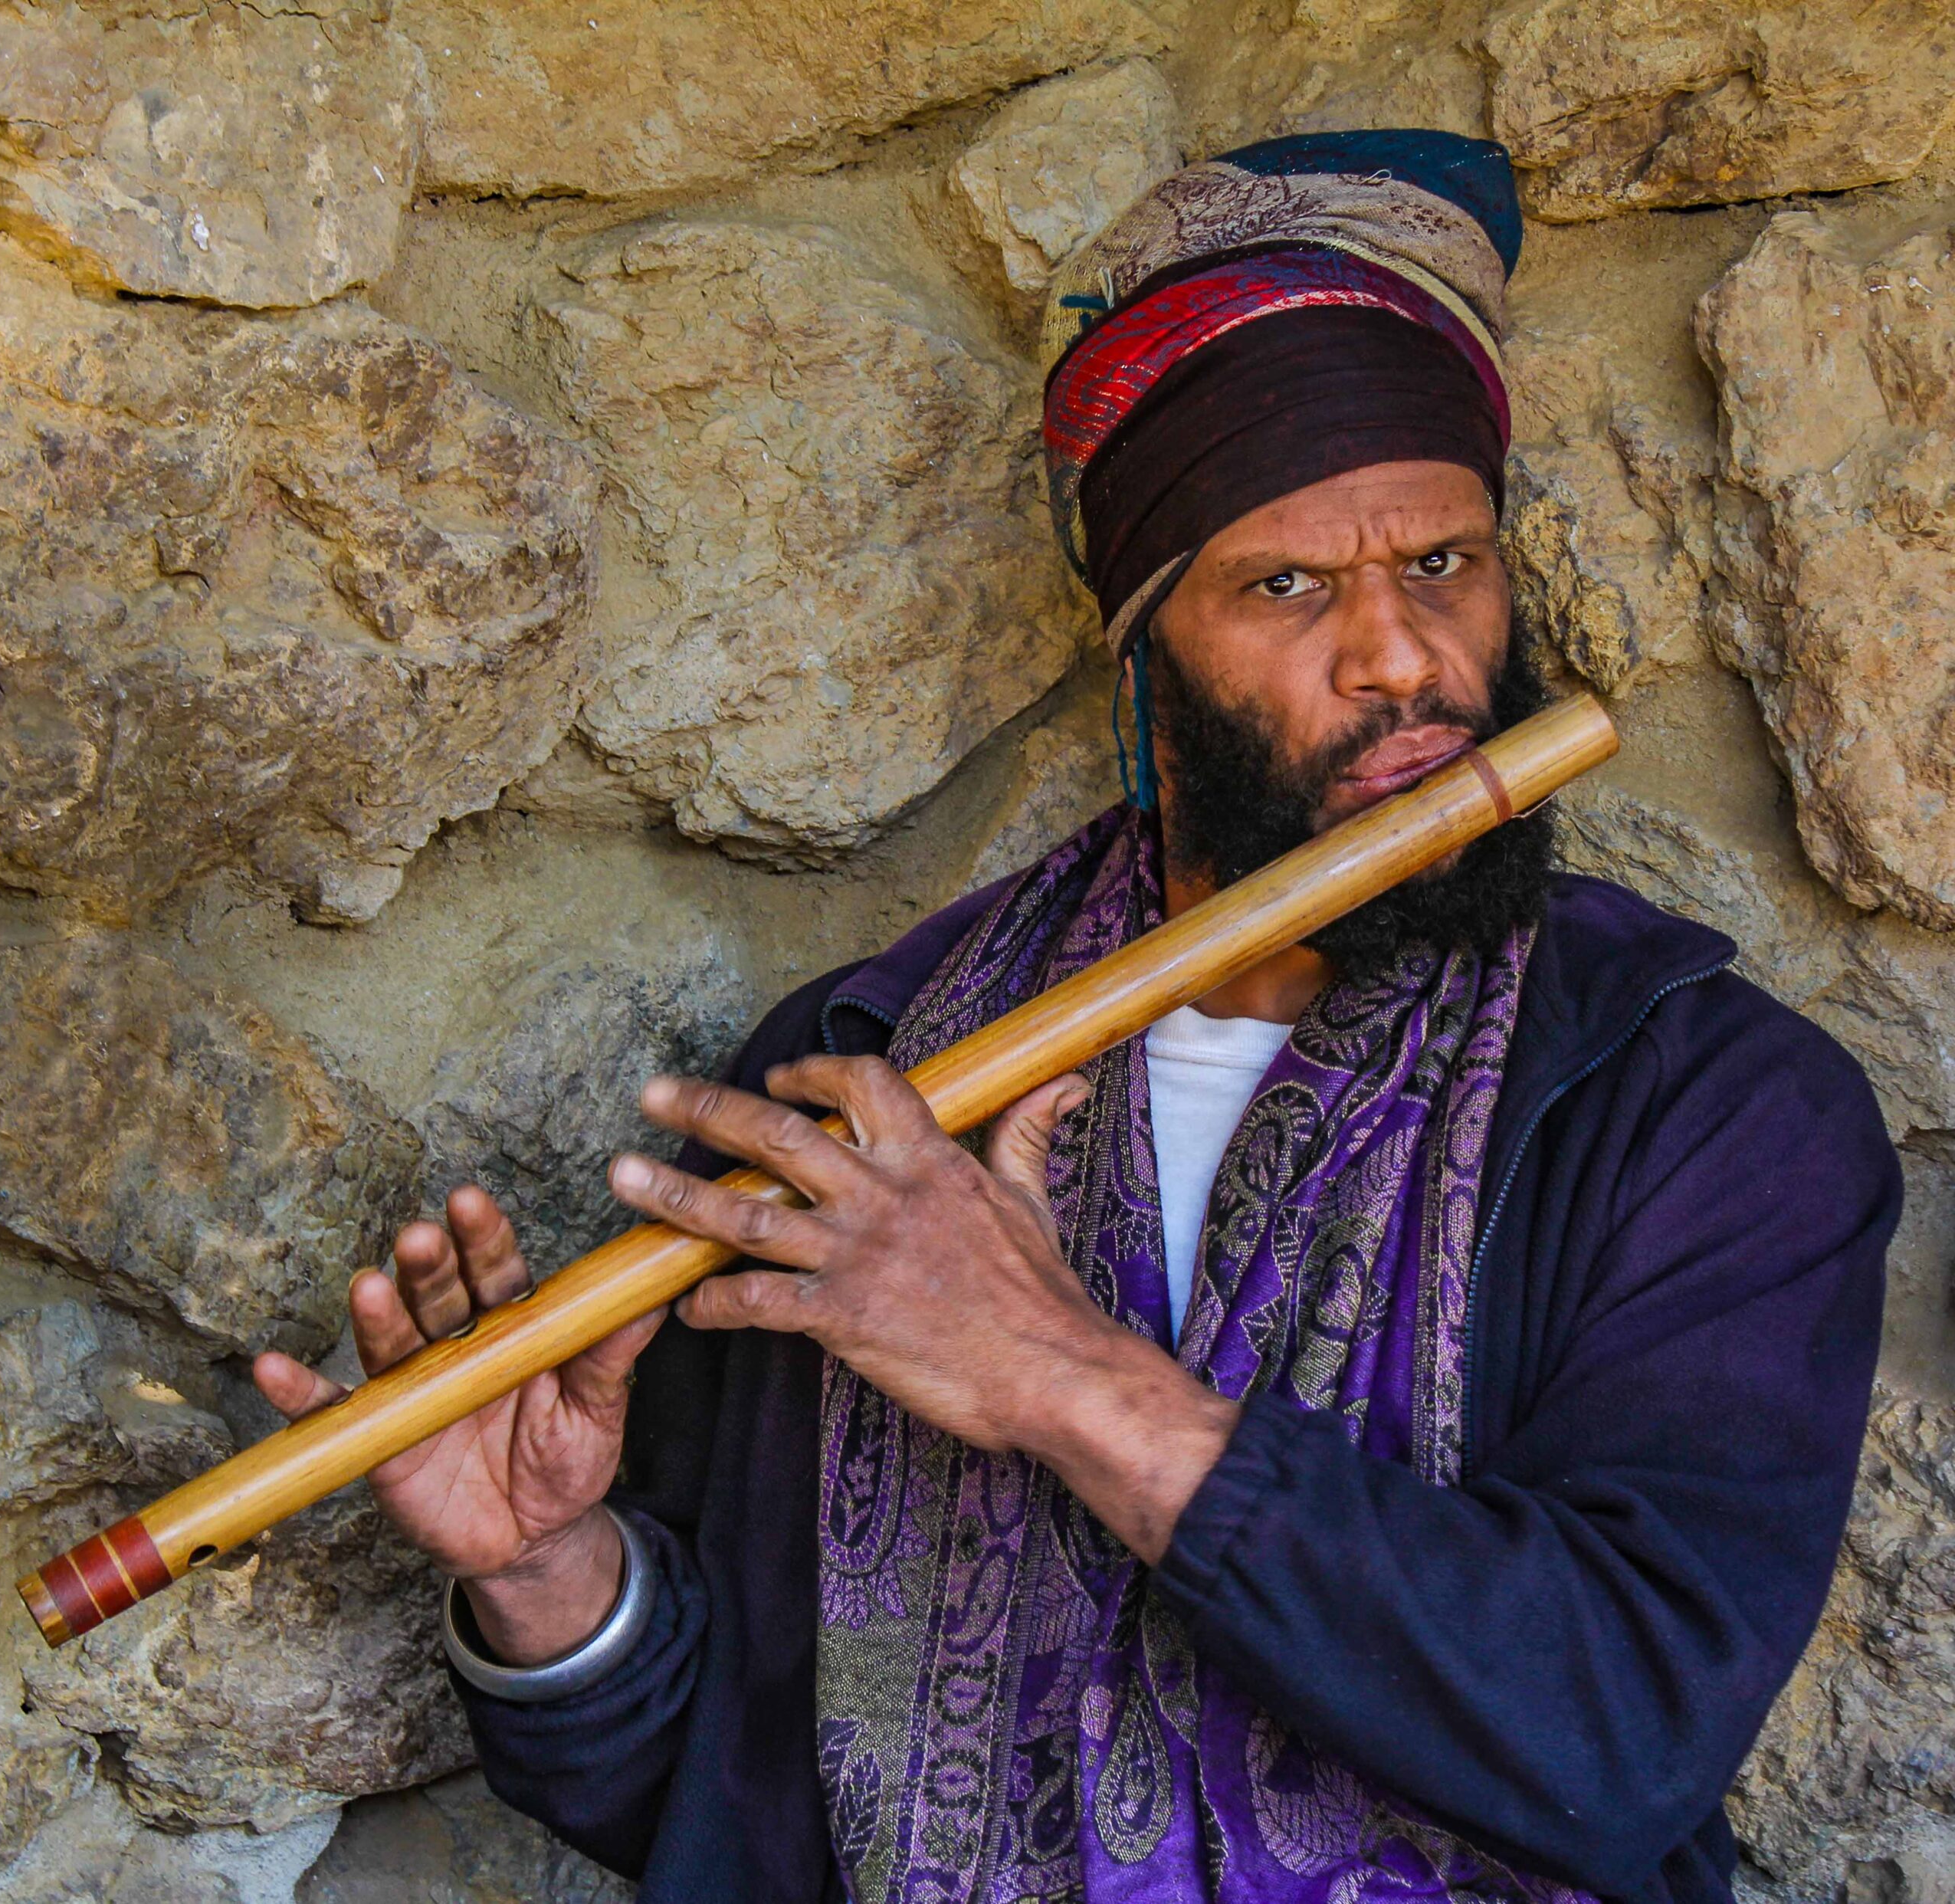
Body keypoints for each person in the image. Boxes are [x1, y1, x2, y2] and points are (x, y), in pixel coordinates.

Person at [254, 130, 1899, 1904]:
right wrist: (552, 1572)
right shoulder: (864, 1084)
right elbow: (713, 1795)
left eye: (1442, 563)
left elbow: (1616, 1730)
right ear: (1144, 645)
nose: (1405, 660)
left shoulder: (1692, 1102)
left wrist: (1054, 1375)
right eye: (1286, 587)